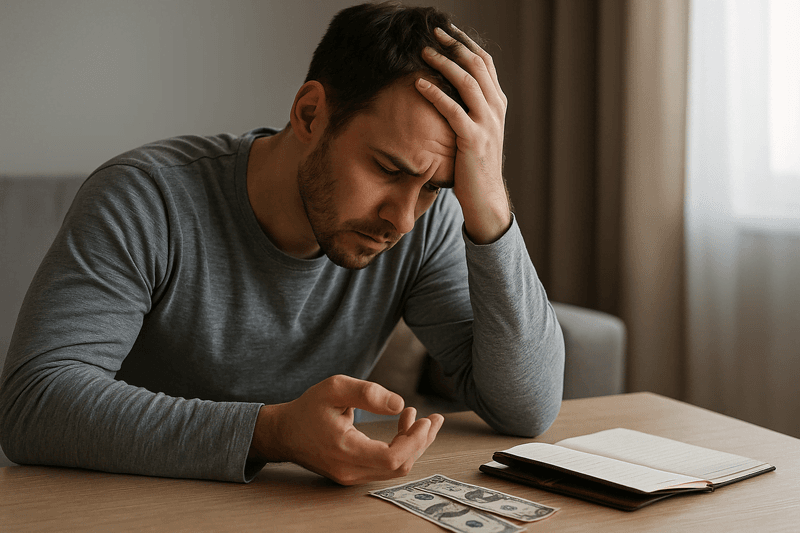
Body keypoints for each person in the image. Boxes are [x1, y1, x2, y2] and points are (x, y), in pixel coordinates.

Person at [0, 2, 564, 485]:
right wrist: (270, 433)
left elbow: (525, 408)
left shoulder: (426, 225)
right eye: (388, 169)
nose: (402, 219)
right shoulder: (145, 199)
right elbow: (33, 405)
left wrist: (488, 205)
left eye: (434, 189)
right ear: (310, 113)